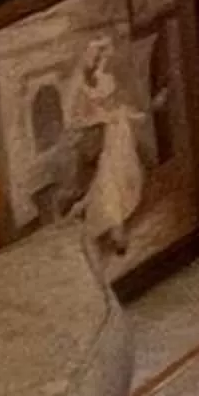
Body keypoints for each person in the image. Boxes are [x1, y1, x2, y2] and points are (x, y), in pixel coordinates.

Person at [64, 34, 148, 261]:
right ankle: (116, 232)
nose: (103, 56)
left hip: (122, 133)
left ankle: (102, 220)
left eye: (104, 52)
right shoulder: (91, 84)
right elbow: (84, 116)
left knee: (127, 176)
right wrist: (106, 116)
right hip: (110, 136)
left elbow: (122, 105)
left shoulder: (109, 76)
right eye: (99, 53)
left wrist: (131, 115)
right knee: (110, 179)